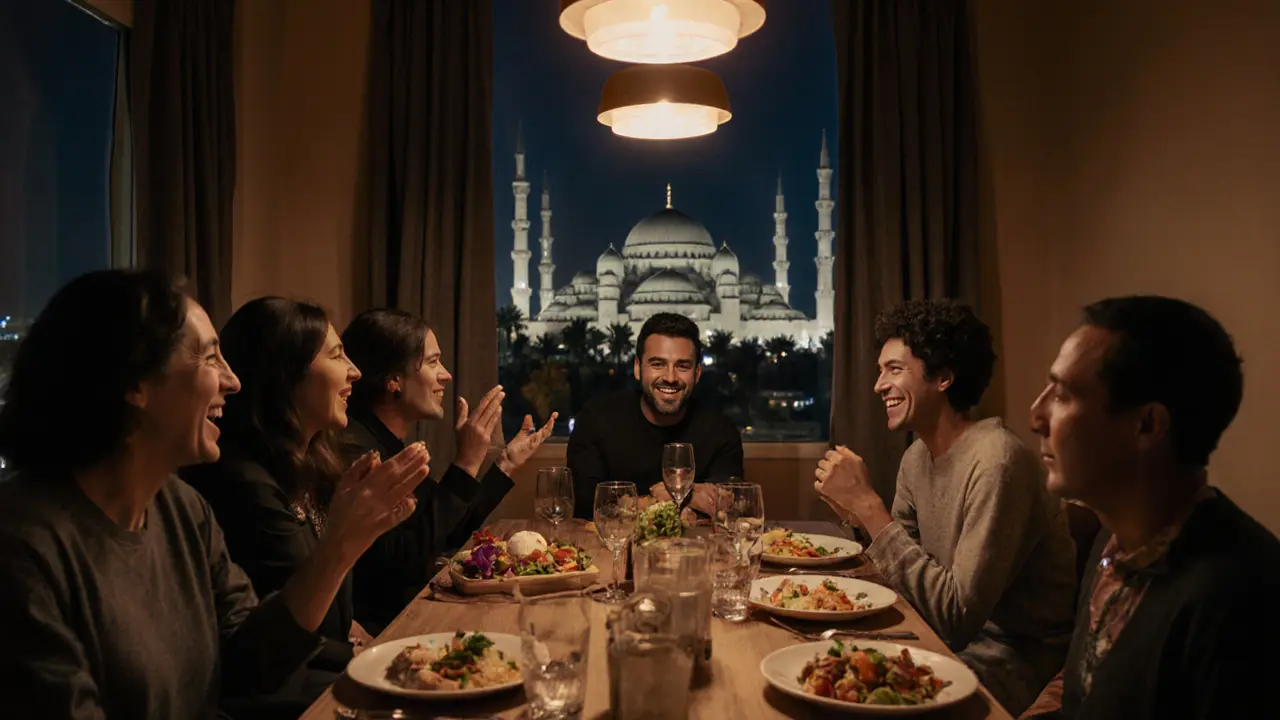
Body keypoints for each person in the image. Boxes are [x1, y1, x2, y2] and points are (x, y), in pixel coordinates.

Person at [0, 270, 426, 719]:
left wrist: (340, 547)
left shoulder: (181, 508)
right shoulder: (24, 547)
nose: (233, 381)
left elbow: (250, 666)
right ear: (135, 383)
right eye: (209, 358)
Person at [1020, 297, 1280, 720]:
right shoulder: (1112, 538)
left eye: (1063, 395)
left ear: (1147, 426)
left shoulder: (1240, 595)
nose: (1036, 416)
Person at [813, 299, 1076, 716]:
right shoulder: (917, 457)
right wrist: (859, 520)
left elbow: (957, 616)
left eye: (894, 369)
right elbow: (902, 581)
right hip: (942, 640)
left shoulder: (997, 461)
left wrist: (869, 505)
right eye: (881, 370)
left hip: (1013, 657)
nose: (879, 384)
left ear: (944, 377)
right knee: (823, 666)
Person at [180, 297, 430, 717]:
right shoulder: (240, 485)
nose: (354, 371)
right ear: (286, 376)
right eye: (336, 355)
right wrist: (346, 543)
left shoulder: (315, 465)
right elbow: (260, 662)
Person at [340, 308, 556, 630]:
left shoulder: (389, 443)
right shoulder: (361, 452)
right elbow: (409, 560)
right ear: (394, 380)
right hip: (390, 629)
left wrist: (506, 463)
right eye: (432, 362)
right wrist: (466, 462)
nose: (445, 375)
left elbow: (447, 531)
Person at [567, 312, 743, 519]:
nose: (670, 378)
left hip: (695, 550)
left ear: (697, 374)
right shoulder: (596, 420)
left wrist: (630, 503)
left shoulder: (720, 430)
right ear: (637, 368)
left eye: (682, 366)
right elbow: (588, 507)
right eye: (658, 364)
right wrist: (678, 496)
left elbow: (726, 506)